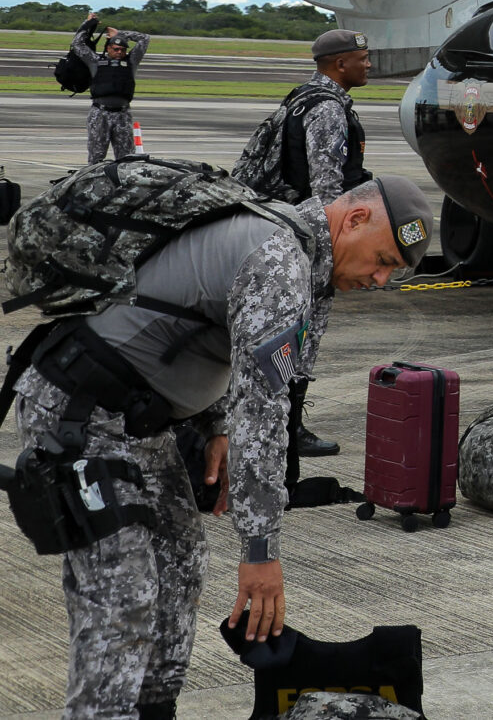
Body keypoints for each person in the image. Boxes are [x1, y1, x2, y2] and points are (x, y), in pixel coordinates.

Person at [9, 171, 434, 718]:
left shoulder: (286, 248)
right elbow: (264, 416)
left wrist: (215, 424)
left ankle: (152, 710)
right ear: (354, 219)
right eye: (383, 260)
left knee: (180, 564)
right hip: (81, 413)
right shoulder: (279, 260)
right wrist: (261, 552)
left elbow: (202, 328)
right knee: (124, 596)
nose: (379, 279)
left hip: (137, 421)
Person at [240, 28, 377, 458]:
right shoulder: (328, 110)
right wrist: (333, 253)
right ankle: (288, 428)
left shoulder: (301, 98)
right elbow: (326, 190)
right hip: (307, 235)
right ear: (340, 64)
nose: (369, 65)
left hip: (281, 225)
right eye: (362, 58)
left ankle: (279, 423)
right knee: (304, 331)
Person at [68, 13, 149, 163]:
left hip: (122, 115)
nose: (119, 52)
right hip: (100, 114)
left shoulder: (131, 62)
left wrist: (120, 34)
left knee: (126, 158)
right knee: (96, 157)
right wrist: (87, 24)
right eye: (116, 49)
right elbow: (77, 44)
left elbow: (145, 39)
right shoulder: (95, 61)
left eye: (122, 50)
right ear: (108, 48)